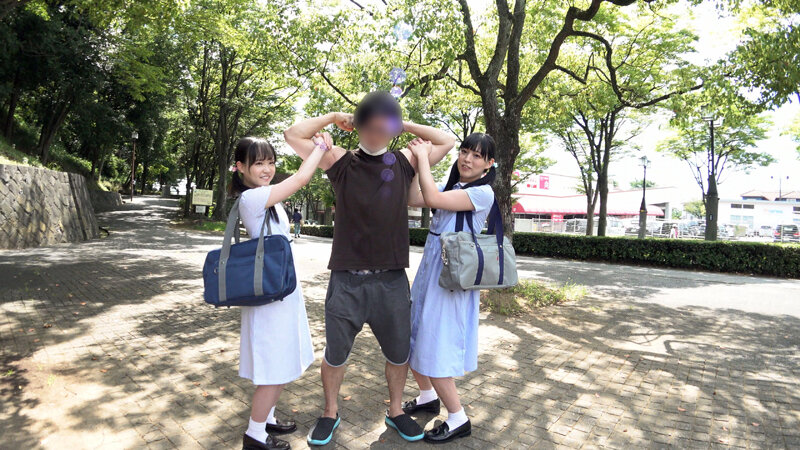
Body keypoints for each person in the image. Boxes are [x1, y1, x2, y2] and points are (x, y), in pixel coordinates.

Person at [283, 91, 455, 446]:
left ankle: (396, 410)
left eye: (384, 127)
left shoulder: (404, 161)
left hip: (391, 280)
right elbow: (292, 135)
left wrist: (404, 124)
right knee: (335, 355)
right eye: (370, 126)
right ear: (358, 126)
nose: (376, 134)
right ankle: (330, 412)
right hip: (346, 279)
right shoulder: (340, 161)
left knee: (399, 354)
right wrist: (334, 117)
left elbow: (446, 141)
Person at [231, 133, 332, 450]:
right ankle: (255, 434)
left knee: (280, 359)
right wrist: (320, 147)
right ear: (240, 167)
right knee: (274, 366)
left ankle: (267, 417)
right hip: (270, 296)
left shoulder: (268, 197)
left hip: (281, 288)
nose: (267, 169)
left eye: (270, 162)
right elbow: (302, 178)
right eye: (258, 163)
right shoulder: (252, 198)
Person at [402, 133, 497, 444]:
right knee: (413, 336)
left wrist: (422, 157)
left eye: (477, 156)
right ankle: (427, 396)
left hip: (452, 281)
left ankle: (458, 417)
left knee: (436, 345)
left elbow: (431, 199)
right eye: (465, 151)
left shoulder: (482, 193)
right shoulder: (454, 186)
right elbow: (414, 197)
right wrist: (416, 164)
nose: (467, 159)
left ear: (489, 164)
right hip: (432, 272)